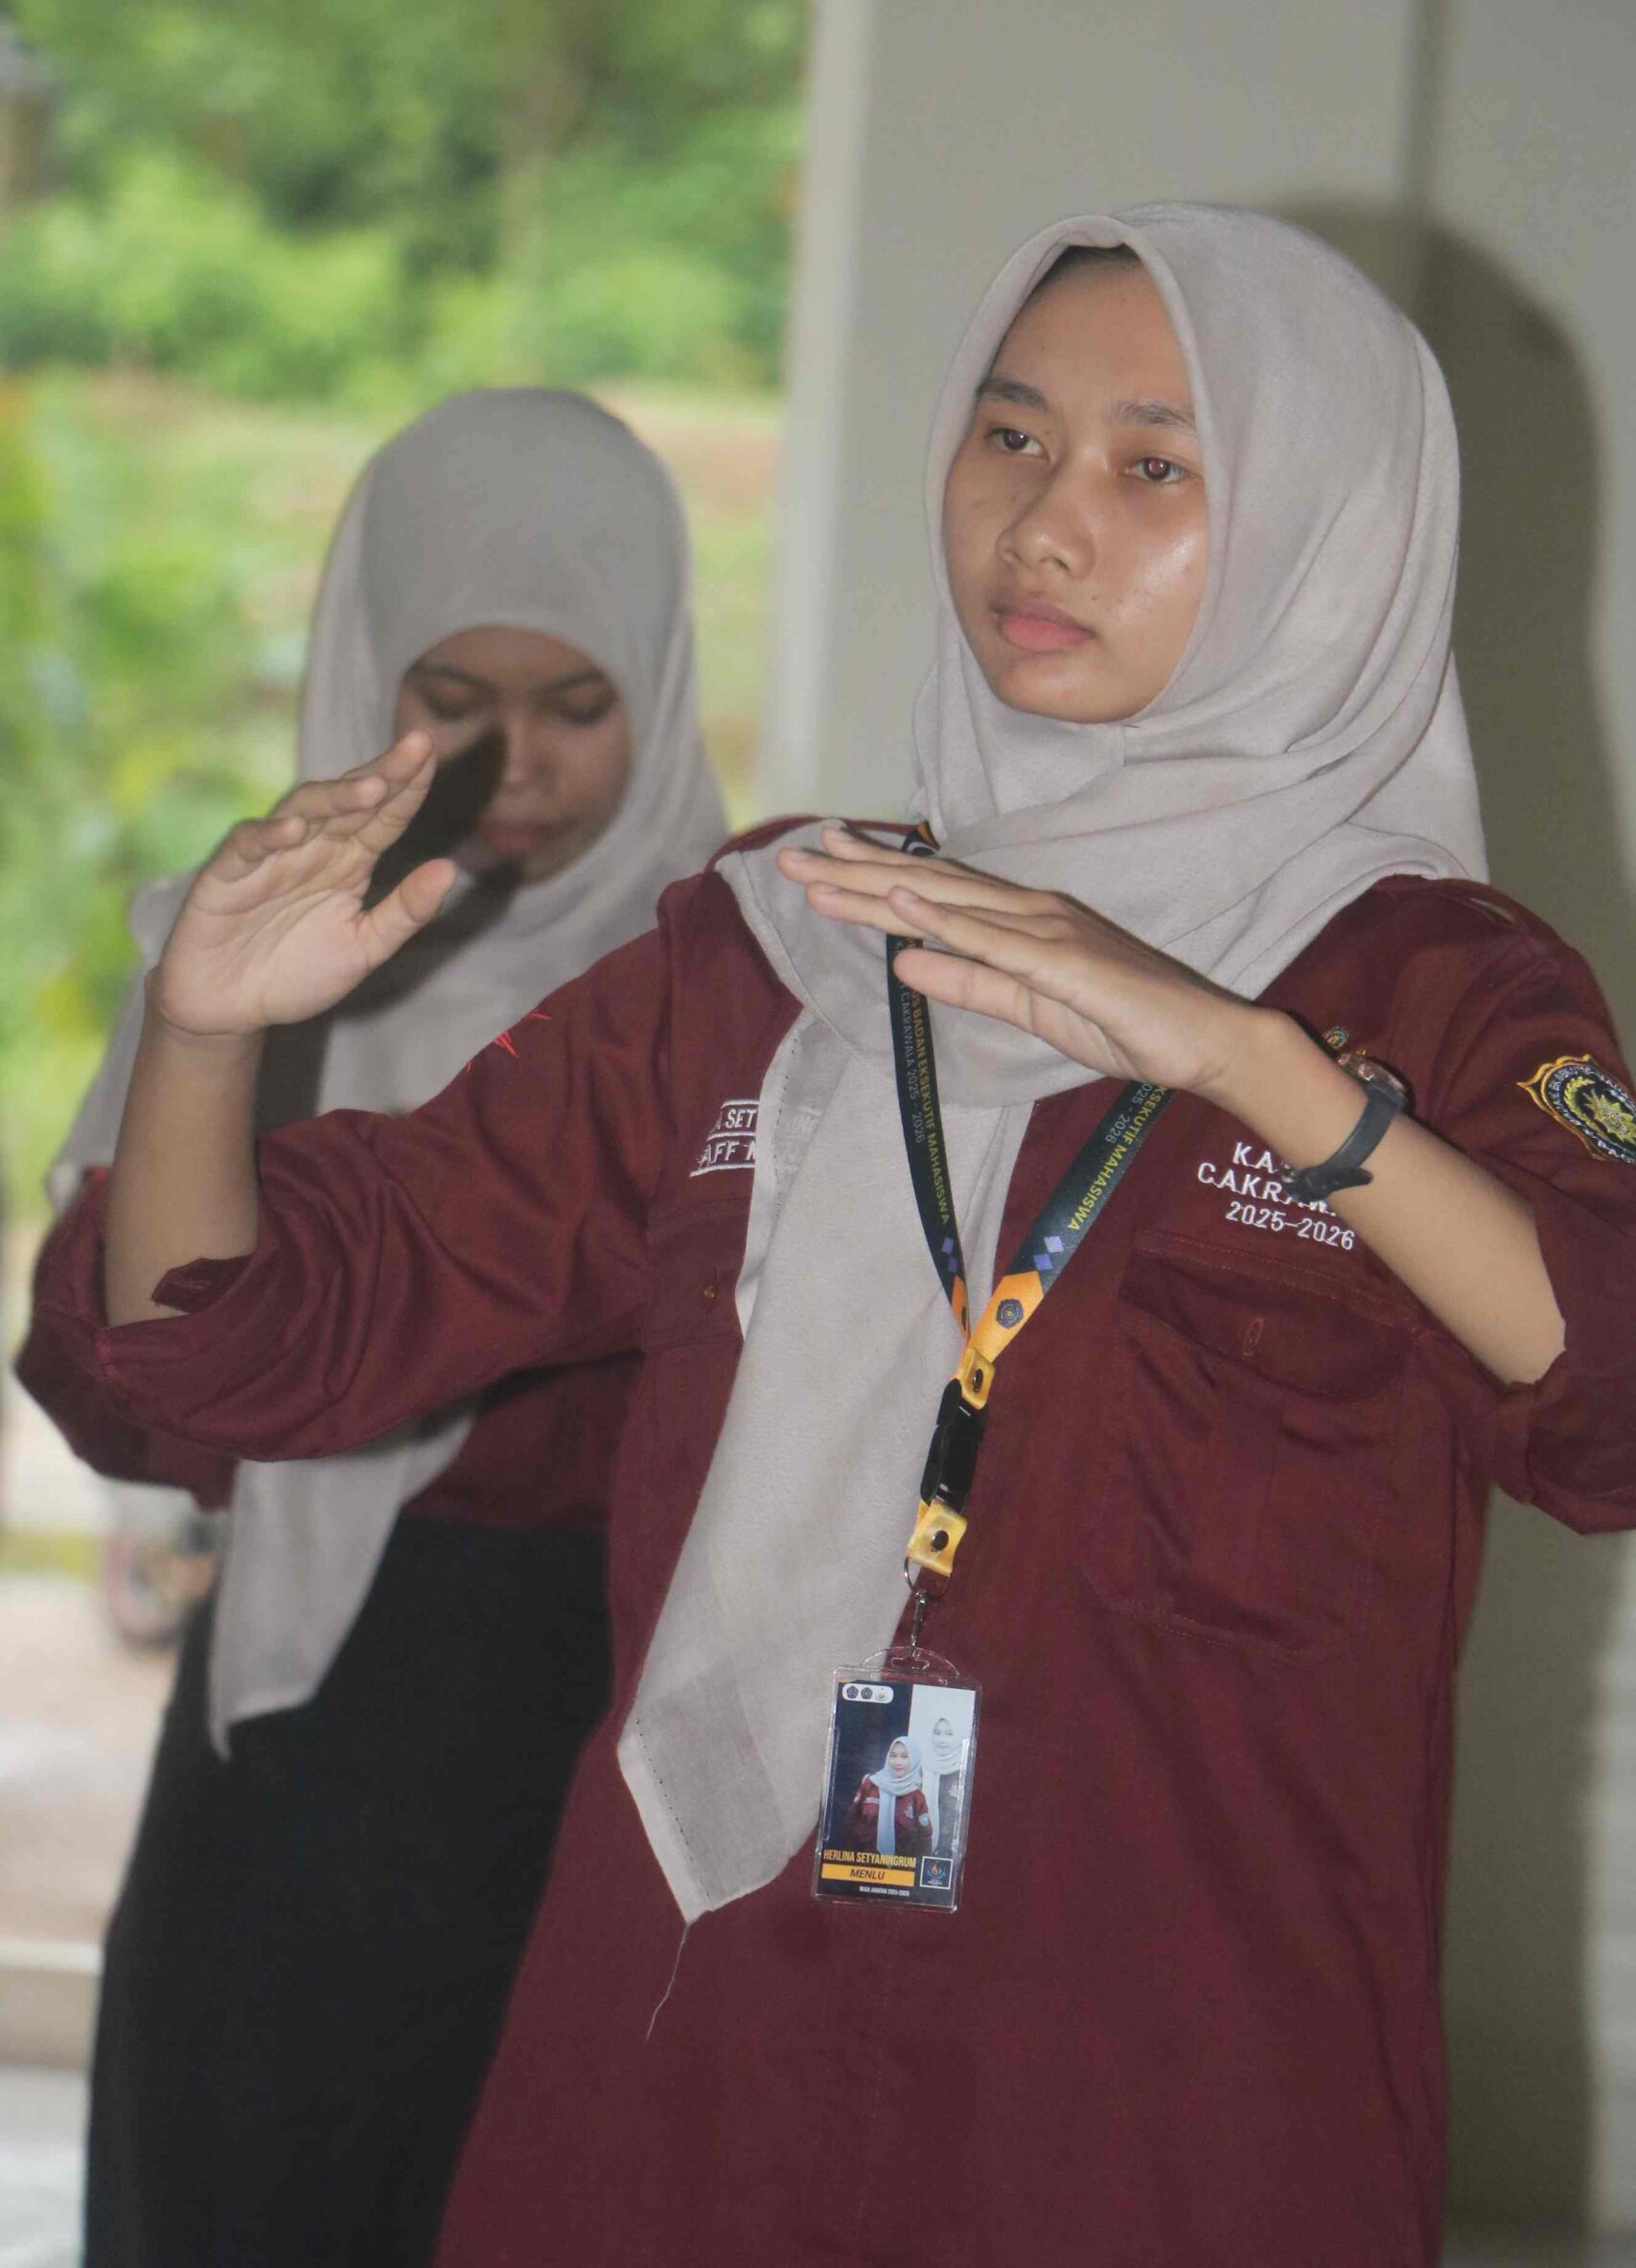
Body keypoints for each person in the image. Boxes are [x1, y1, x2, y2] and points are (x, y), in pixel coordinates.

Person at [20, 206, 1636, 2266]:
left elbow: (1606, 1400)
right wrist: (200, 1038)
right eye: (1009, 437)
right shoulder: (784, 943)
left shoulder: (1439, 991)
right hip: (705, 2031)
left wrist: (1252, 1062)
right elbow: (252, 1335)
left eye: (1153, 467)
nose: (1044, 525)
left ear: (1332, 526)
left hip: (1170, 2095)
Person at [30, 388, 726, 2268]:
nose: (518, 764)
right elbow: (118, 1389)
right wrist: (212, 1075)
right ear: (363, 669)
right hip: (324, 1721)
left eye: (577, 703)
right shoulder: (247, 969)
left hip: (635, 1727)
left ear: (664, 684)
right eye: (453, 699)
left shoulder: (736, 989)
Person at [842, 1736, 933, 1857]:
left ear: (914, 1759)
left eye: (904, 1756)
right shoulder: (871, 1784)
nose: (897, 1762)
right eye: (893, 1756)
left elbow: (925, 1837)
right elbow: (850, 1821)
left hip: (900, 1865)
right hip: (864, 1861)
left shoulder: (917, 1797)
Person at [920, 1711, 964, 1855]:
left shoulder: (965, 1768)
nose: (942, 1740)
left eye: (949, 1734)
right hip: (925, 1848)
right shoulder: (922, 1767)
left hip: (956, 1851)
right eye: (937, 1733)